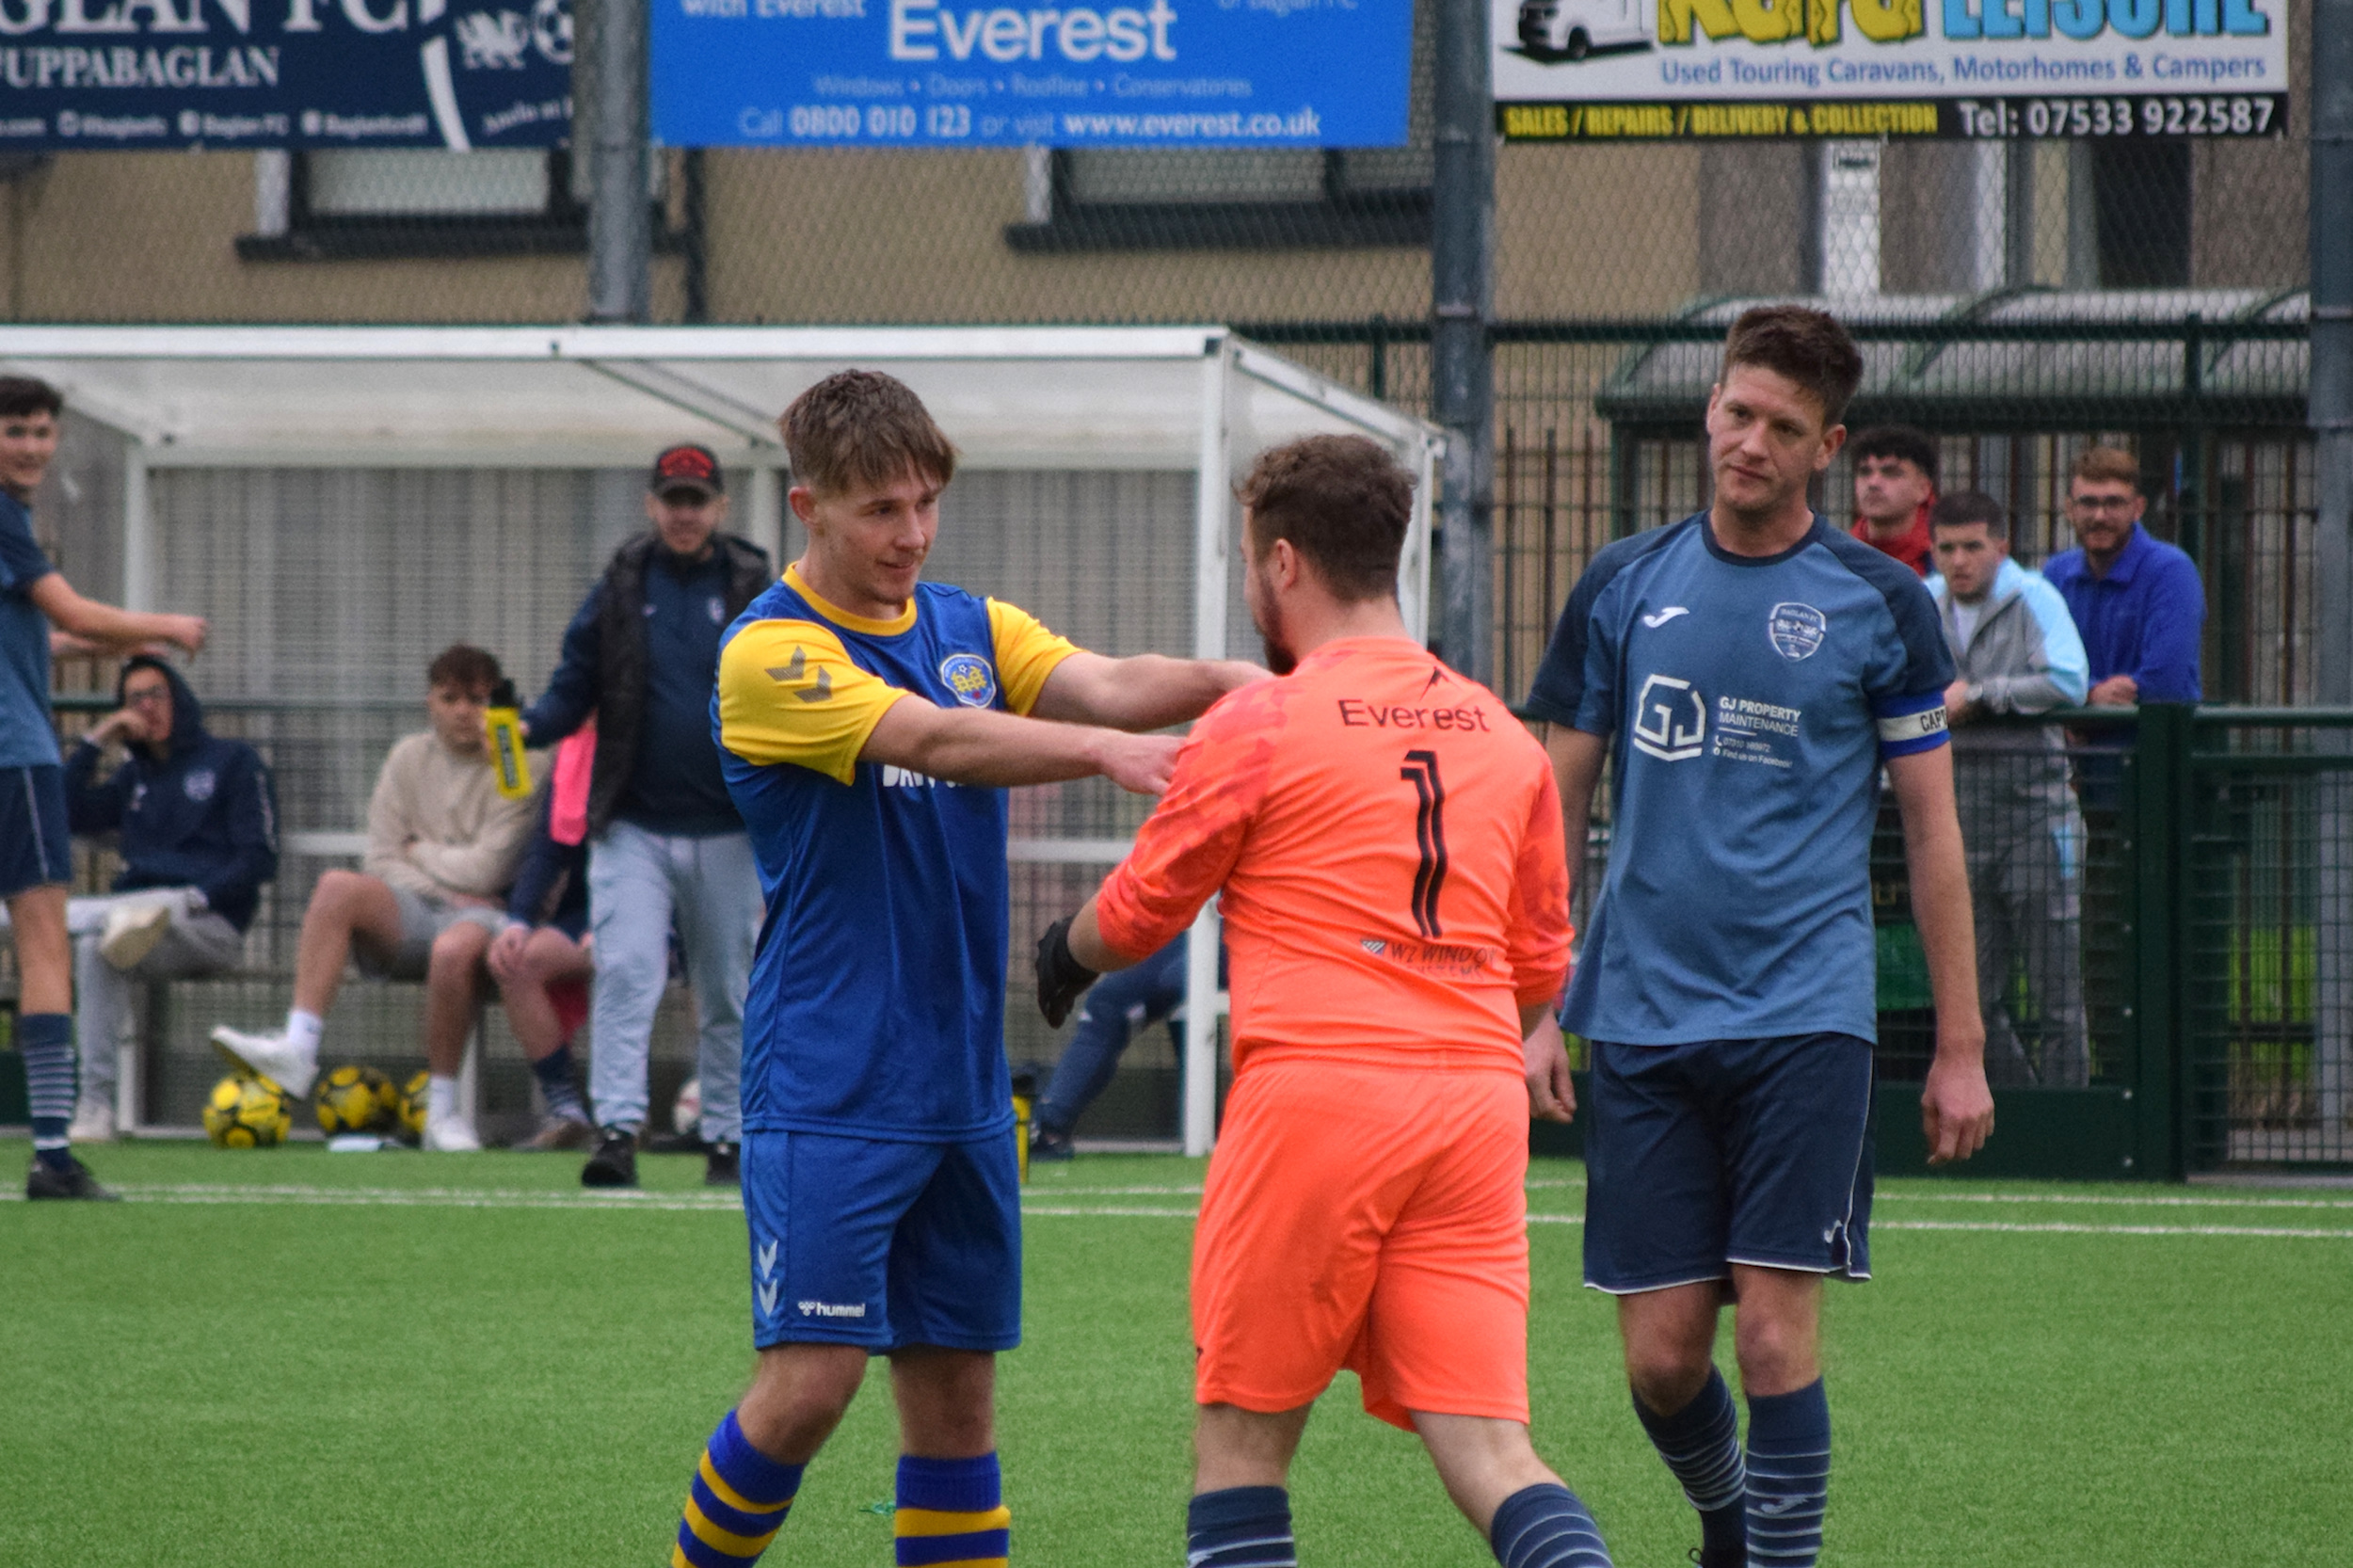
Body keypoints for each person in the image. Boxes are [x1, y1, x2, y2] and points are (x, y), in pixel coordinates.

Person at [670, 368, 1259, 1568]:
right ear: (810, 509)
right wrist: (1107, 751)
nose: (912, 533)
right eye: (881, 508)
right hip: (830, 1078)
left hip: (961, 1087)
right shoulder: (766, 653)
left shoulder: (968, 625)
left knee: (956, 1405)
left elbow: (1107, 678)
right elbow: (934, 736)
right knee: (809, 1385)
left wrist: (1237, 685)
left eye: (926, 502)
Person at [1038, 433, 1612, 1568]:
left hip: (1316, 1099)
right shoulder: (1501, 735)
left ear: (1283, 562)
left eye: (1249, 562)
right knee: (1493, 1451)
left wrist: (1062, 953)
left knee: (1243, 1443)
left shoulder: (1261, 720)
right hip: (1471, 1107)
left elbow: (1145, 908)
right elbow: (1542, 963)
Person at [1521, 306, 1994, 1568]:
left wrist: (1962, 1044)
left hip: (1806, 1013)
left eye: (1783, 427)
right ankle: (1729, 1526)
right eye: (1738, 413)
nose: (1750, 442)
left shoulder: (1881, 601)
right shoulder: (1622, 582)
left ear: (1826, 446)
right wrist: (1537, 1003)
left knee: (1776, 1338)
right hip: (1637, 1012)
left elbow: (1934, 837)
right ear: (1711, 409)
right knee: (1665, 1359)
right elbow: (1552, 803)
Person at [518, 443, 773, 1190]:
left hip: (731, 828)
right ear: (652, 506)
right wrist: (520, 727)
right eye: (672, 499)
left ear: (720, 508)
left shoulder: (755, 586)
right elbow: (572, 688)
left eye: (697, 500)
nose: (684, 513)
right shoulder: (622, 585)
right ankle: (619, 1133)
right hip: (632, 825)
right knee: (627, 972)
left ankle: (726, 1136)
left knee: (729, 987)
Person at [0, 375, 207, 1200]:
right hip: (15, 761)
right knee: (45, 940)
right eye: (15, 430)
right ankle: (54, 1152)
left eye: (43, 432)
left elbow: (39, 636)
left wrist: (78, 652)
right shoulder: (7, 520)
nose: (31, 447)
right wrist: (165, 629)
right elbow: (76, 613)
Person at [209, 644, 538, 1151]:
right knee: (337, 887)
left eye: (475, 698)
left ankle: (442, 1113)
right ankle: (299, 1046)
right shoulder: (407, 756)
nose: (462, 711)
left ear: (495, 702)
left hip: (492, 919)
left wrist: (420, 853)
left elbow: (491, 869)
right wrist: (444, 886)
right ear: (429, 701)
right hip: (427, 907)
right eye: (449, 697)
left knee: (454, 947)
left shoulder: (520, 764)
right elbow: (381, 858)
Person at [57, 656, 280, 1141]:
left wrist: (198, 898)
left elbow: (260, 858)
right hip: (131, 925)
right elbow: (65, 810)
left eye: (156, 694)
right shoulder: (131, 778)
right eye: (134, 700)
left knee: (88, 919)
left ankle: (35, 920)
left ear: (179, 696)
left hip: (207, 923)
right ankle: (94, 1108)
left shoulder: (233, 761)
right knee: (97, 944)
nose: (147, 707)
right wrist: (100, 737)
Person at [1928, 490, 2091, 1088]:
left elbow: (2070, 680)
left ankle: (2069, 1123)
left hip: (2036, 821)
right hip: (1956, 824)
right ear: (1933, 551)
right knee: (1969, 996)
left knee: (2058, 993)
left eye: (1973, 546)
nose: (1960, 560)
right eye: (1947, 548)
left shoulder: (2035, 597)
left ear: (2002, 547)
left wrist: (1978, 696)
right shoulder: (1923, 603)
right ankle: (2018, 1112)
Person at [484, 729, 599, 1150]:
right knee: (517, 959)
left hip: (667, 911)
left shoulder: (668, 743)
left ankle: (712, 1114)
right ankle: (566, 1109)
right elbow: (549, 848)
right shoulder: (576, 753)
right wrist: (517, 921)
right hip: (587, 910)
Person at [2041, 446, 2204, 707]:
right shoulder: (2055, 573)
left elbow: (2165, 680)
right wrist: (2092, 696)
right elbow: (2038, 666)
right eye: (2088, 503)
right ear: (2069, 509)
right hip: (2069, 743)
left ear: (2138, 508)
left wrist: (2078, 702)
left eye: (2114, 503)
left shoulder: (2171, 570)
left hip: (2150, 742)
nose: (2100, 516)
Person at [1027, 931, 1195, 1161]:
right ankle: (1047, 1128)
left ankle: (1216, 1128)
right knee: (1108, 1003)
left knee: (1177, 981)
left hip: (1249, 931)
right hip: (1189, 930)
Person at [1846, 424, 1939, 577]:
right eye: (1865, 472)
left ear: (1923, 489)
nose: (1873, 483)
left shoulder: (1949, 558)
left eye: (1891, 473)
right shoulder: (1836, 557)